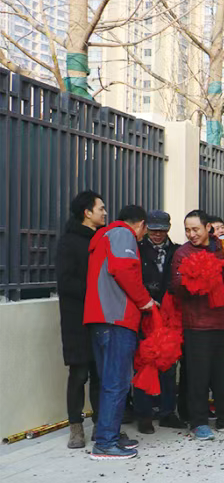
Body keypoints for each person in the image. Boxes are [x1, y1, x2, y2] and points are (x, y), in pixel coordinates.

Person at [170, 209, 224, 440]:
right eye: (187, 229)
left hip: (222, 321)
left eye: (195, 229)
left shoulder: (222, 248)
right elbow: (176, 286)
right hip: (196, 324)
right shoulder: (182, 253)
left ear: (207, 228)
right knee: (198, 376)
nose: (191, 234)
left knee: (222, 374)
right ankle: (198, 422)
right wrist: (197, 280)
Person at [83, 205, 155, 460]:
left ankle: (107, 436)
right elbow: (124, 270)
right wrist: (145, 301)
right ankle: (105, 443)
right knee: (117, 383)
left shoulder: (106, 235)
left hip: (102, 319)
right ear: (141, 225)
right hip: (116, 319)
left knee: (109, 382)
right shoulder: (123, 234)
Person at [58, 190, 106, 449]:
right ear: (87, 213)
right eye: (101, 208)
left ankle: (101, 423)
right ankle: (75, 427)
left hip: (101, 317)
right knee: (79, 374)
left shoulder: (103, 238)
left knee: (100, 373)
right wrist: (95, 292)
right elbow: (66, 283)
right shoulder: (70, 242)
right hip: (77, 320)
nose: (105, 212)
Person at [134, 210, 183, 434]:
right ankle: (143, 414)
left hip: (169, 314)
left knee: (169, 365)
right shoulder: (138, 249)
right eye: (153, 230)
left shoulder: (176, 251)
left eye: (161, 230)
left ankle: (167, 412)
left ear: (168, 230)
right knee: (145, 362)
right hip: (144, 313)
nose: (157, 234)